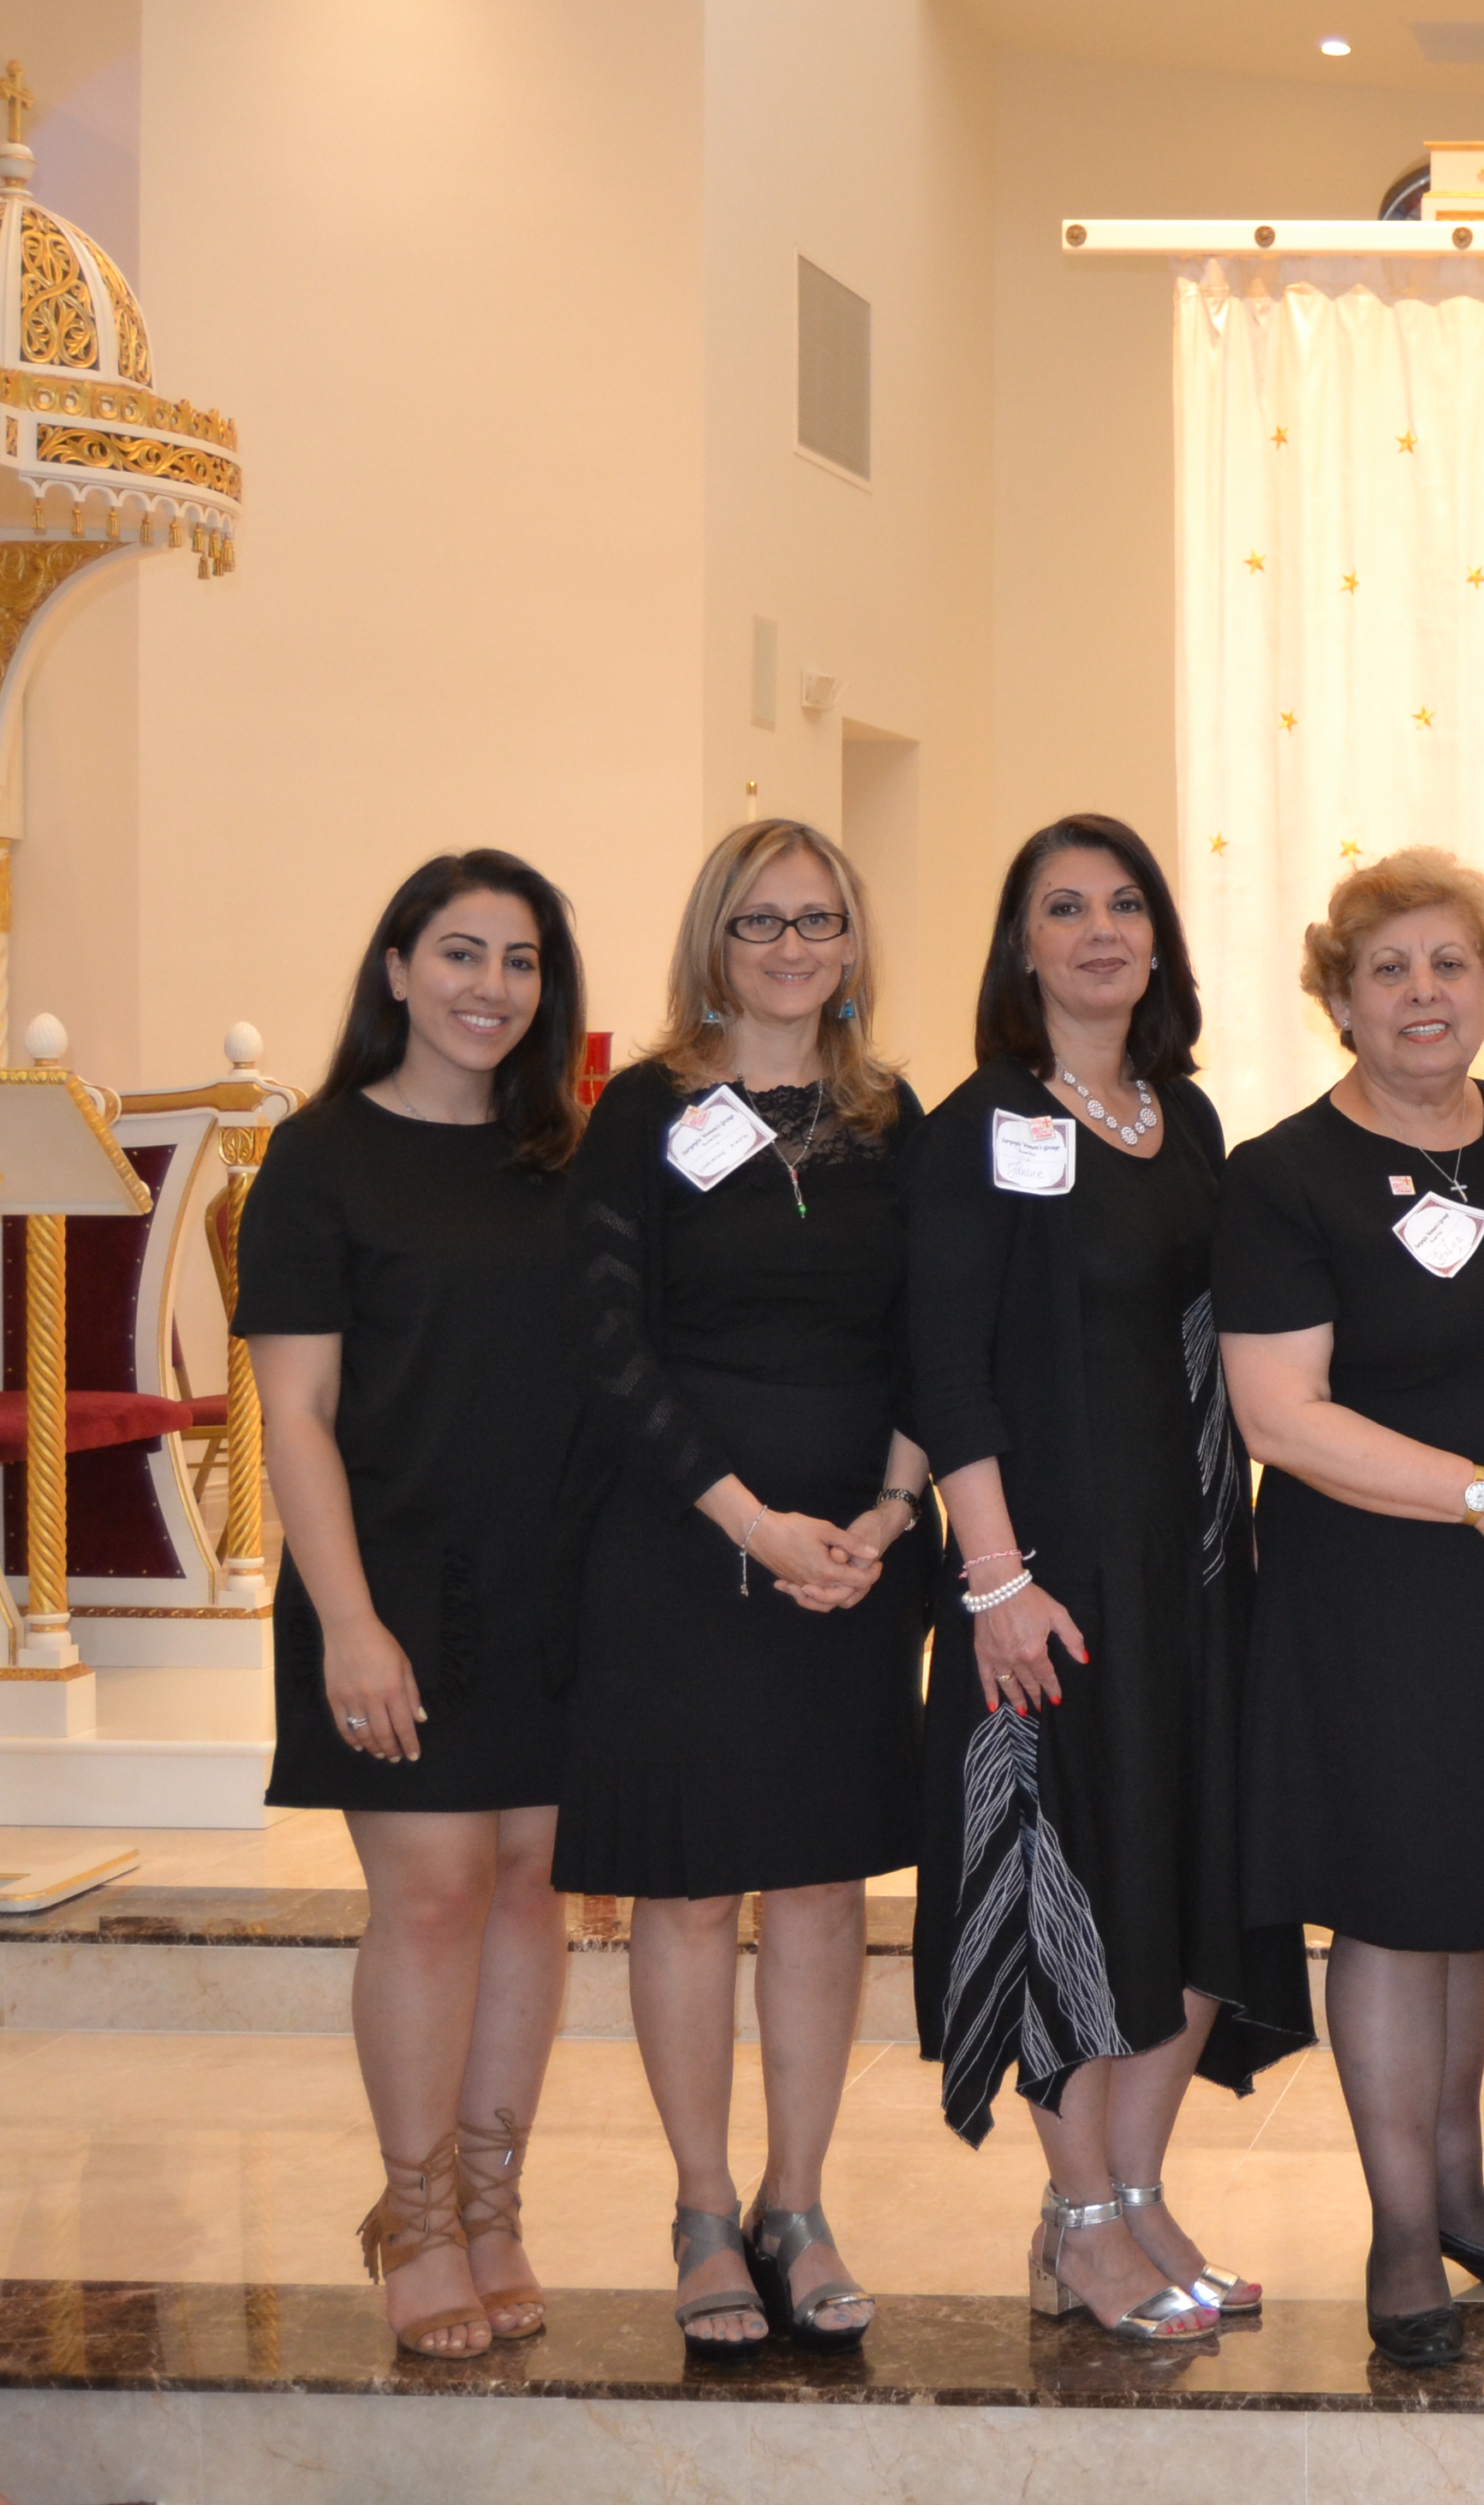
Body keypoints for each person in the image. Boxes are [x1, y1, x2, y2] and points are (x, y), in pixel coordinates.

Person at [1219, 849, 1484, 2369]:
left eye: (1450, 963)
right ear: (1336, 1000)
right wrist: (1476, 1493)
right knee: (1395, 1910)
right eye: (1385, 968)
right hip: (1375, 1595)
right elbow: (1280, 1414)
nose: (1421, 992)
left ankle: (1462, 2194)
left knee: (1465, 1905)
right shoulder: (1282, 1174)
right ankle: (1401, 2232)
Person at [905, 816, 1312, 2347]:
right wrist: (993, 1578)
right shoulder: (981, 1123)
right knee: (1058, 1885)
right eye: (1063, 907)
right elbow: (944, 1364)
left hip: (1193, 1575)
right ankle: (1080, 2215)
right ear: (1021, 946)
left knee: (1189, 1878)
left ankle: (1132, 2195)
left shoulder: (1183, 1118)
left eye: (1125, 904)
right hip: (1049, 1582)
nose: (1098, 931)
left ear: (1159, 938)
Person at [554, 819, 932, 2355]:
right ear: (714, 939)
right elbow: (603, 1341)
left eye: (818, 920)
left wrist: (889, 1515)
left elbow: (940, 1332)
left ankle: (798, 2201)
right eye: (761, 921)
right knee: (695, 1882)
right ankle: (704, 2208)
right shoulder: (643, 1110)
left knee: (824, 1880)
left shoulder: (892, 1116)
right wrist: (749, 1521)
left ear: (853, 941)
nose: (791, 948)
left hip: (856, 1553)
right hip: (682, 1542)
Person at [240, 850, 591, 2361]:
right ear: (396, 967)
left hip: (548, 1574)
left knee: (532, 1885)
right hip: (388, 1578)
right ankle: (419, 2215)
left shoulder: (562, 1159)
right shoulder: (319, 1158)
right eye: (459, 952)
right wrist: (349, 1621)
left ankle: (494, 2207)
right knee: (436, 1890)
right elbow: (295, 1416)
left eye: (519, 960)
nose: (487, 987)